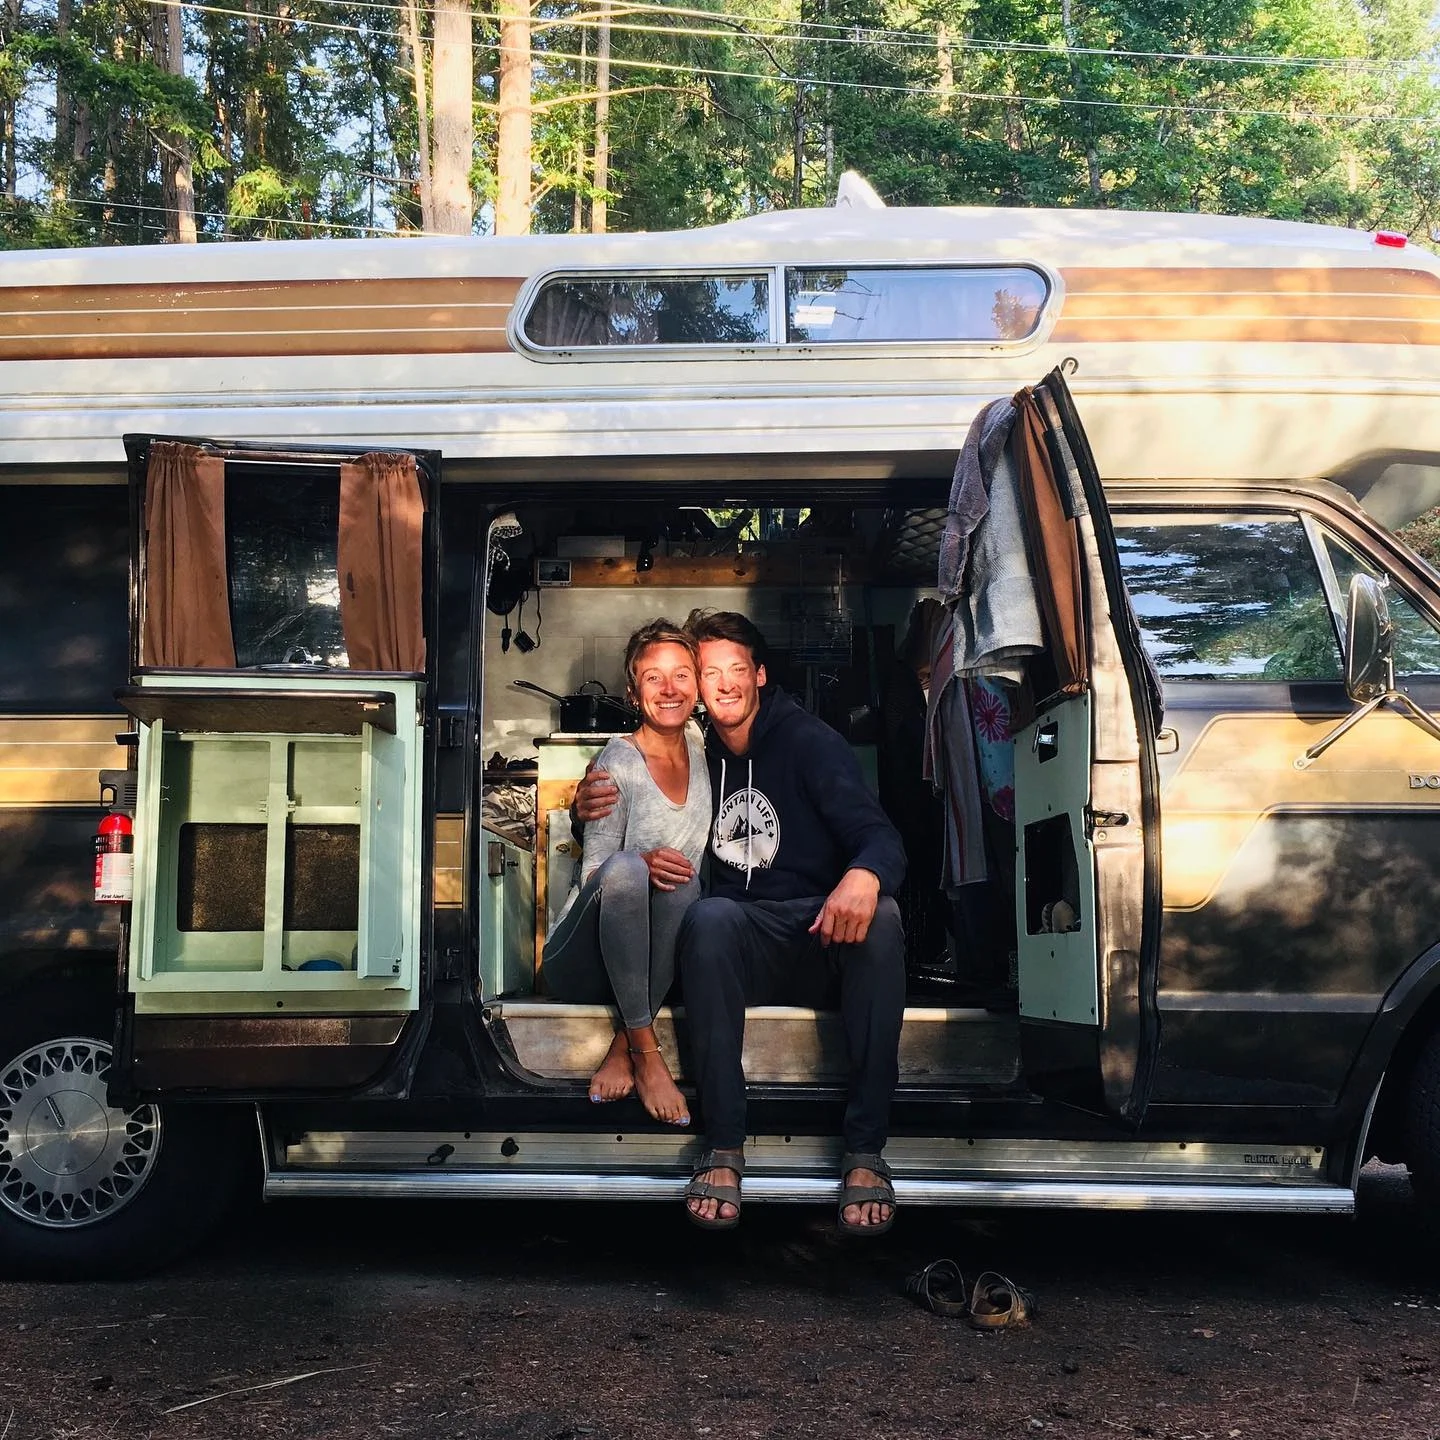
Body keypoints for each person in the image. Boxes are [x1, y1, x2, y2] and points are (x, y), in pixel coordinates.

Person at [575, 611, 907, 1234]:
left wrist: (865, 874)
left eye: (736, 669)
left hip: (817, 934)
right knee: (710, 916)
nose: (723, 684)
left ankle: (865, 1152)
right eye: (709, 673)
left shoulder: (809, 743)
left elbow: (880, 836)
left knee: (883, 919)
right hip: (739, 944)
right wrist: (582, 804)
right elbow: (633, 785)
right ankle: (724, 1147)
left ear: (759, 675)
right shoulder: (698, 750)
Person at [542, 619, 710, 1127]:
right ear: (634, 693)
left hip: (656, 968)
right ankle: (646, 1053)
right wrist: (640, 860)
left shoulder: (702, 747)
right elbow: (600, 873)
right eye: (653, 678)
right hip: (584, 962)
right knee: (625, 869)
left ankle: (623, 1044)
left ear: (698, 685)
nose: (669, 688)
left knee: (687, 883)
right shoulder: (617, 761)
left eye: (681, 674)